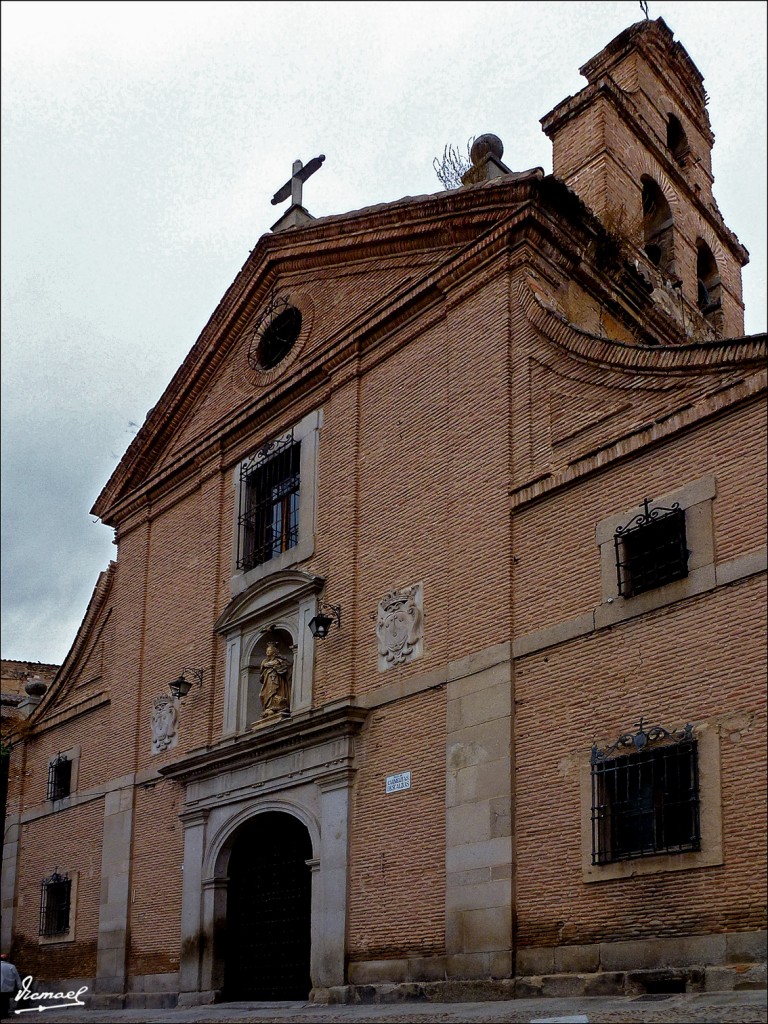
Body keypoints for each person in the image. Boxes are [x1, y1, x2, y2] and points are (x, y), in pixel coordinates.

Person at [259, 641, 291, 718]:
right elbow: (262, 671)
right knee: (262, 694)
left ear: (274, 652)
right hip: (268, 680)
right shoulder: (265, 661)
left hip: (276, 680)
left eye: (269, 651)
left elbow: (284, 667)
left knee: (274, 692)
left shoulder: (279, 660)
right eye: (266, 651)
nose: (267, 652)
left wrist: (268, 665)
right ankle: (268, 707)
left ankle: (277, 707)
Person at [1, 953, 22, 1019]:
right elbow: (17, 978)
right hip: (7, 988)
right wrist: (20, 987)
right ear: (7, 959)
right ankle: (5, 1014)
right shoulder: (12, 966)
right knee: (5, 1001)